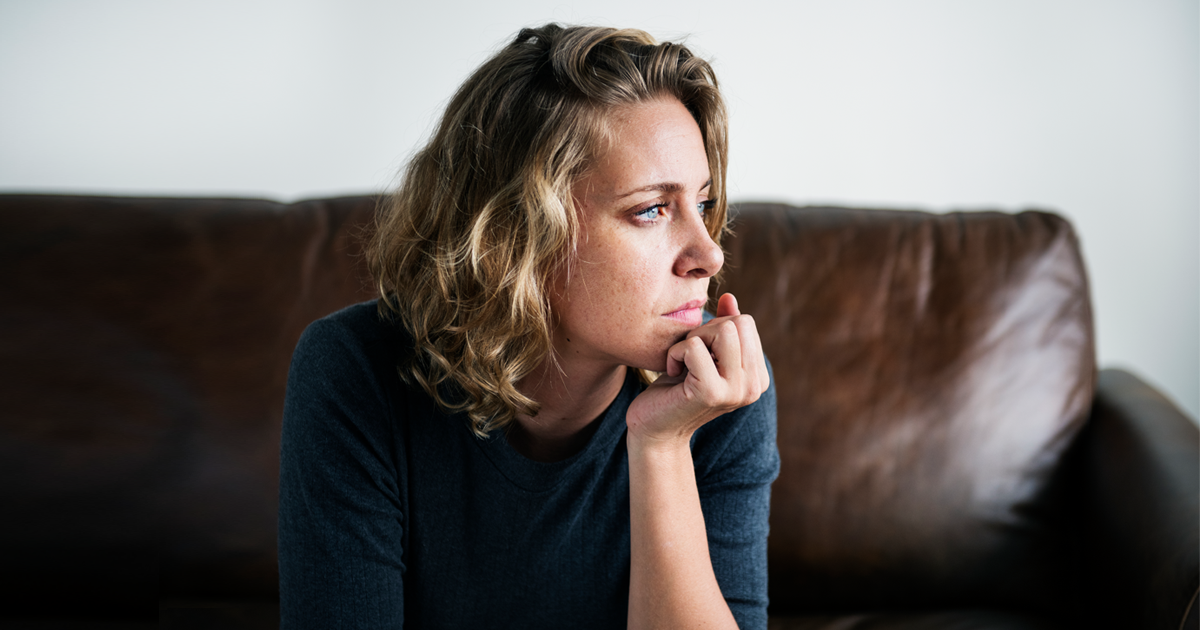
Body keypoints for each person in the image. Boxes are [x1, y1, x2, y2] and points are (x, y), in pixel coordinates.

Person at [278, 23, 779, 629]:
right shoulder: (355, 371)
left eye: (702, 204)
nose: (710, 254)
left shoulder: (720, 390)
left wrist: (662, 446)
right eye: (651, 209)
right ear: (516, 236)